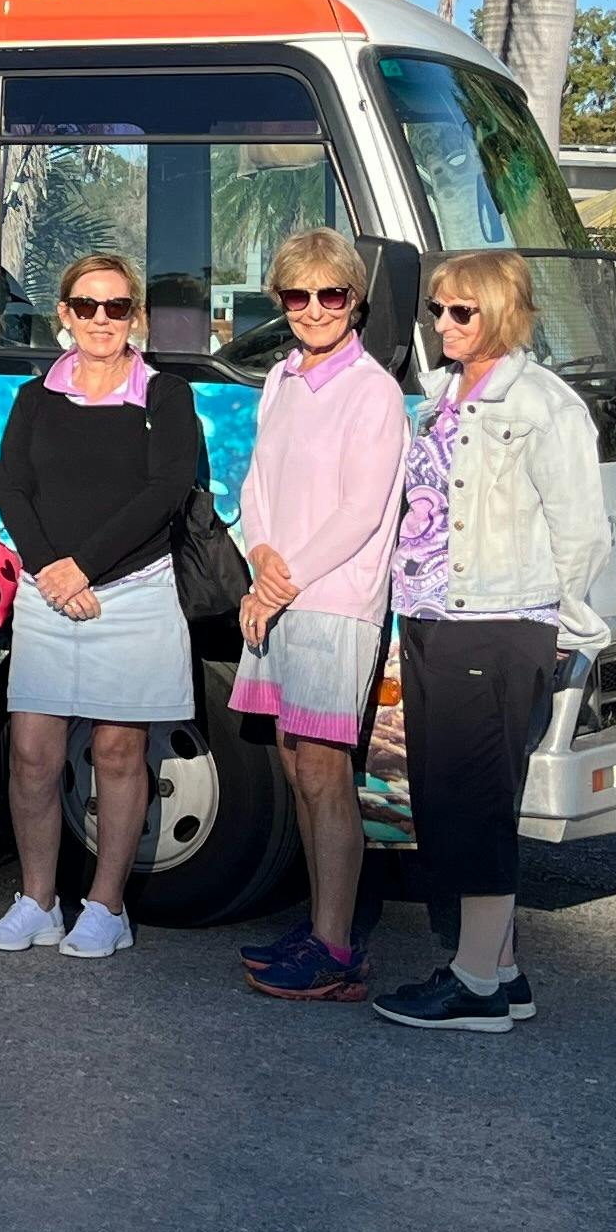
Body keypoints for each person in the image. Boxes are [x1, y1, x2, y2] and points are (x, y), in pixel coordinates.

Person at [372, 247, 609, 1035]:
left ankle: (473, 985)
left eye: (461, 311)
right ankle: (501, 972)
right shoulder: (440, 395)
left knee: (473, 800)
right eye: (437, 309)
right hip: (434, 616)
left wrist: (557, 620)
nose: (443, 323)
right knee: (444, 797)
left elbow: (581, 532)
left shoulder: (543, 404)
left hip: (499, 622)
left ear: (502, 313)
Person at [0, 251, 200, 961]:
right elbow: (11, 487)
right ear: (64, 316)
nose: (102, 320)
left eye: (116, 307)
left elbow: (165, 491)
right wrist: (51, 568)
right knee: (32, 755)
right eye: (87, 306)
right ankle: (36, 900)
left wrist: (84, 566)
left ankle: (106, 907)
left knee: (118, 748)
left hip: (132, 594)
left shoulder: (163, 396)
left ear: (134, 315)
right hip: (49, 593)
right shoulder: (36, 396)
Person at [232, 227, 412, 1002]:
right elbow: (254, 485)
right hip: (278, 597)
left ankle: (337, 946)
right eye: (298, 295)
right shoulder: (279, 381)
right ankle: (318, 925)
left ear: (354, 300)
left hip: (336, 602)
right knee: (293, 761)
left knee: (325, 767)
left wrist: (283, 578)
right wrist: (260, 557)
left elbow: (361, 511)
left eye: (330, 294)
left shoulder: (372, 390)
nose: (313, 309)